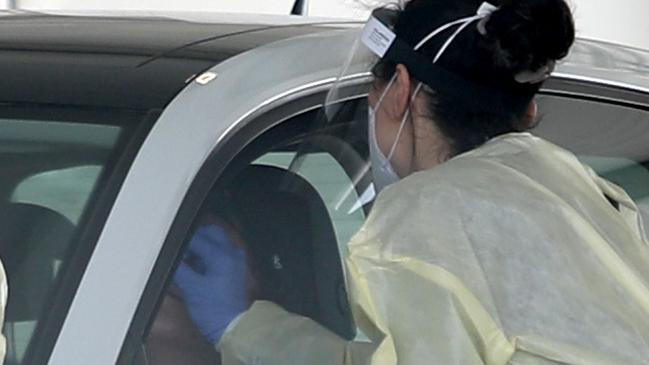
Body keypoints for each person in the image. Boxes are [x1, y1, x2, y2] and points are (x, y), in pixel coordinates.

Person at [175, 0, 649, 364]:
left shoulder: (427, 216)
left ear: (400, 88)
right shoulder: (589, 196)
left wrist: (232, 323)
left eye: (371, 92)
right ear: (527, 109)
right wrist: (246, 328)